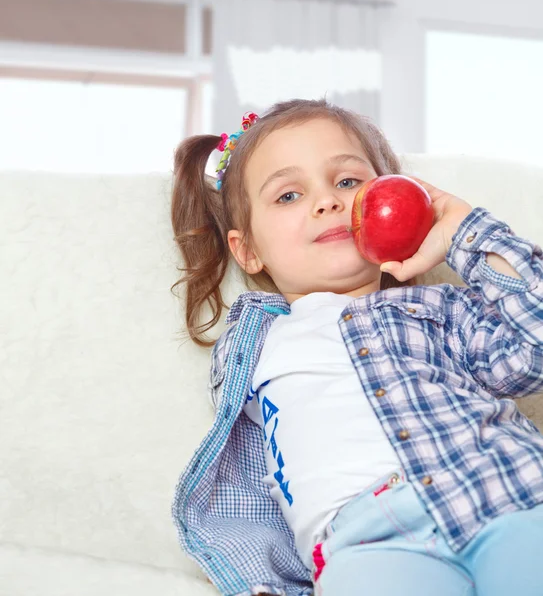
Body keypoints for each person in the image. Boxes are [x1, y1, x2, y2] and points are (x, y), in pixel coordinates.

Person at [170, 98, 543, 596]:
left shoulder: (442, 309)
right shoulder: (253, 346)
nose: (328, 202)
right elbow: (254, 482)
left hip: (505, 491)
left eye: (347, 182)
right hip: (365, 542)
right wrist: (265, 581)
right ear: (248, 250)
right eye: (288, 195)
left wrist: (463, 231)